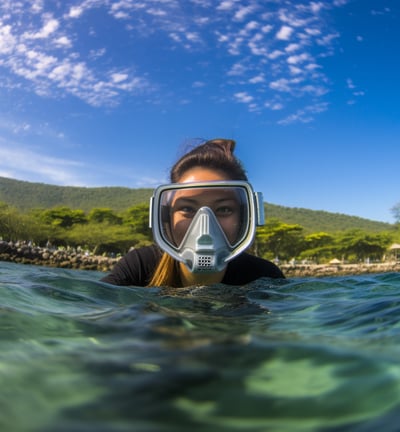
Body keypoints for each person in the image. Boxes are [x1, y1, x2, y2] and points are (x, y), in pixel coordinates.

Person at [101, 138, 284, 287]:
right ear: (165, 216)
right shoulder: (140, 265)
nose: (204, 227)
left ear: (245, 217)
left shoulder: (264, 277)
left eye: (224, 209)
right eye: (187, 208)